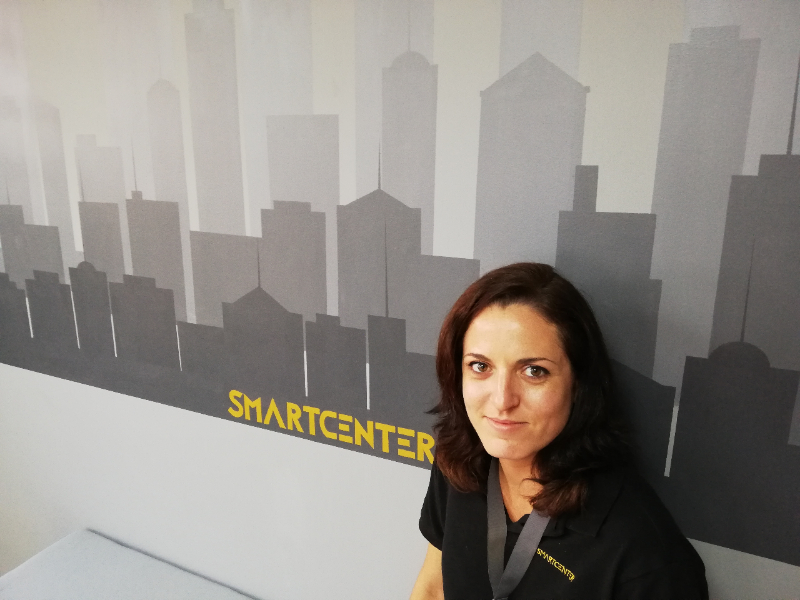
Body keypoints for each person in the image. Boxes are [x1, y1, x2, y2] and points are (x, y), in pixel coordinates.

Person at [410, 263, 708, 599]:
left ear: (578, 384)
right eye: (480, 366)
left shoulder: (645, 552)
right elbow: (433, 588)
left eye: (534, 371)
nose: (502, 400)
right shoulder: (457, 462)